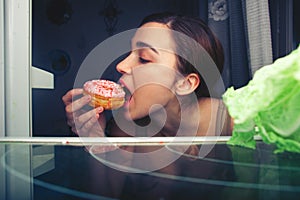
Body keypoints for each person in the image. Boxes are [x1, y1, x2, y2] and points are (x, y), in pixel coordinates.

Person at [62, 12, 233, 139]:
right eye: (129, 53)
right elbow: (106, 189)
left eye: (144, 59)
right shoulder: (126, 128)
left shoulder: (231, 124)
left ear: (185, 84)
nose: (120, 66)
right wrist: (94, 138)